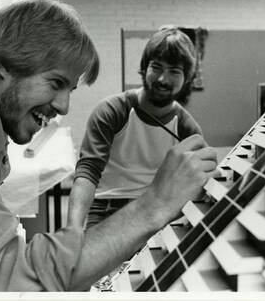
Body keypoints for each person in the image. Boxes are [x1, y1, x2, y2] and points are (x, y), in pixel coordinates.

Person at [0, 0, 218, 292]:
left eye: (69, 90)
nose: (64, 107)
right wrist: (154, 204)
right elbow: (8, 280)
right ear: (6, 62)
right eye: (55, 83)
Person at [68, 28, 204, 229]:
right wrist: (73, 231)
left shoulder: (186, 127)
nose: (162, 79)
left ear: (187, 79)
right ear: (144, 68)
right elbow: (88, 172)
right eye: (156, 67)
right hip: (108, 208)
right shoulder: (112, 111)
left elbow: (197, 180)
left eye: (174, 71)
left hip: (158, 211)